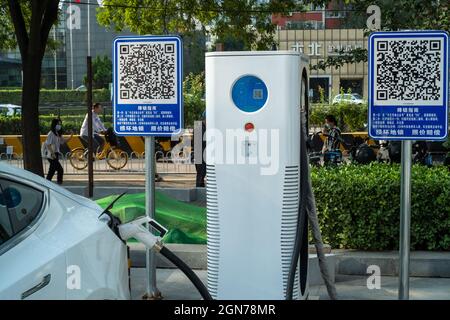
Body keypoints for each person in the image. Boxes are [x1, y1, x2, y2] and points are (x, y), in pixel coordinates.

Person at [43, 119, 73, 185]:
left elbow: (63, 141)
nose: (59, 125)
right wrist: (53, 153)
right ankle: (59, 184)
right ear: (54, 124)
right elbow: (48, 144)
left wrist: (71, 136)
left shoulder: (58, 134)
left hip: (55, 154)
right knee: (60, 170)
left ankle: (46, 183)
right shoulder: (51, 133)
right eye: (58, 124)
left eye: (60, 124)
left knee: (51, 171)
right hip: (52, 154)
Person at [194, 111, 206, 187]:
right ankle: (198, 190)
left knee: (202, 174)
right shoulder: (198, 126)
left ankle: (201, 187)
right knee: (200, 174)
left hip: (204, 153)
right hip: (200, 154)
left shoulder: (205, 126)